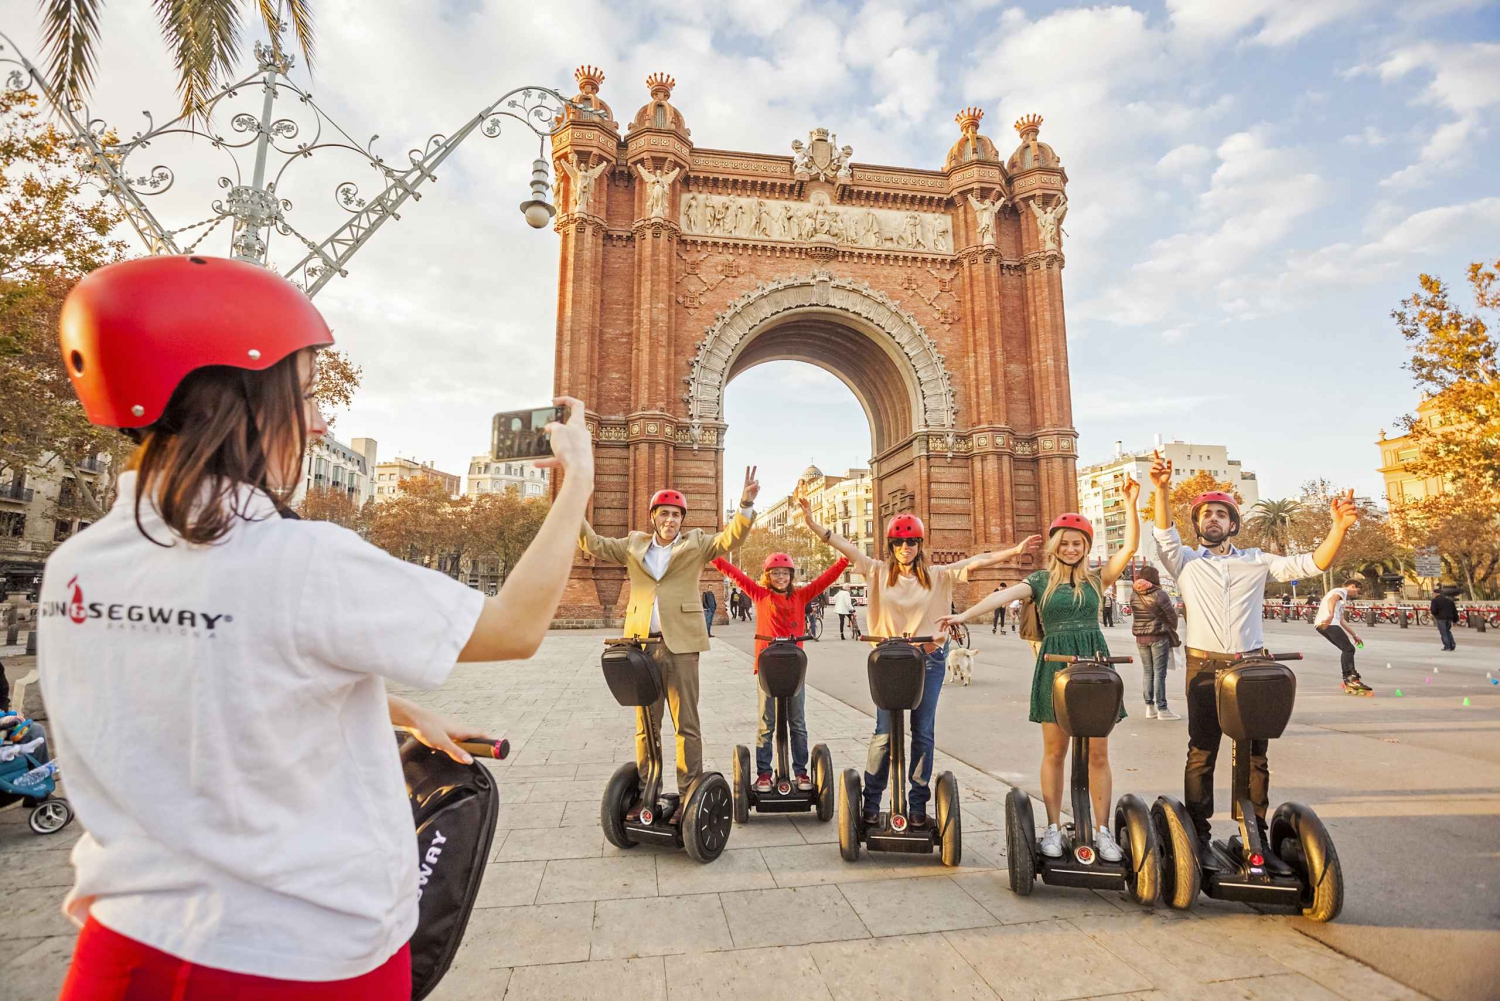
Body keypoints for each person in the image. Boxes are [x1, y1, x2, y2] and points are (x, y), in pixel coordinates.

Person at [38, 256, 595, 998]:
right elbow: (516, 625)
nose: (319, 418)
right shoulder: (301, 561)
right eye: (301, 392)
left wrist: (390, 708)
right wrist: (579, 479)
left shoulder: (76, 566)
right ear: (239, 399)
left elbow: (212, 664)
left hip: (122, 957)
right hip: (302, 963)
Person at [1147, 451, 1357, 858]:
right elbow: (1163, 533)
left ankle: (1253, 832)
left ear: (1233, 523)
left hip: (1252, 666)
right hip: (1204, 665)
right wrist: (1161, 488)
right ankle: (1199, 831)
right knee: (1202, 751)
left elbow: (1312, 563)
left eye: (1220, 514)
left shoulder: (1257, 561)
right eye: (1205, 514)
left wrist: (1339, 528)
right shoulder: (1185, 563)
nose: (1212, 519)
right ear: (1197, 524)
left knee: (1255, 754)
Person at [800, 496, 1041, 828]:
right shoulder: (876, 570)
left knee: (923, 731)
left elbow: (977, 561)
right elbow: (844, 545)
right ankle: (871, 801)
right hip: (888, 660)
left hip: (928, 659)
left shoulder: (938, 575)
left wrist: (1014, 552)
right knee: (884, 733)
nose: (905, 547)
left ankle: (916, 804)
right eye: (899, 542)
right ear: (891, 545)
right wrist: (813, 523)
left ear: (919, 544)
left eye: (911, 542)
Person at [940, 479, 1142, 863]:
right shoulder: (1040, 581)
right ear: (1055, 546)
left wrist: (1132, 503)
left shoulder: (1098, 579)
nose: (1071, 548)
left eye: (1077, 542)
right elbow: (1003, 596)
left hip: (1094, 664)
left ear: (1085, 546)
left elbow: (1129, 547)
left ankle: (1101, 832)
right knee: (1055, 751)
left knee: (1098, 752)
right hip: (1055, 665)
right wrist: (962, 615)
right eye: (1064, 542)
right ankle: (1052, 826)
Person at [579, 470, 759, 821]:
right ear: (653, 517)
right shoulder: (633, 544)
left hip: (681, 647)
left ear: (682, 520)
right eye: (664, 513)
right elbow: (594, 544)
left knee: (686, 724)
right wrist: (574, 512)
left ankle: (689, 796)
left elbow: (731, 539)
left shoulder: (695, 543)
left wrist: (746, 504)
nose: (670, 520)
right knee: (646, 725)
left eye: (676, 514)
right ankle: (648, 793)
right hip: (640, 647)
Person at [712, 551, 848, 791]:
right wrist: (714, 556)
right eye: (775, 573)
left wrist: (845, 560)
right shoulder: (760, 594)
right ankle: (764, 773)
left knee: (797, 722)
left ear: (791, 575)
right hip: (767, 668)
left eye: (785, 573)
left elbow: (824, 580)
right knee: (767, 723)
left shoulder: (801, 596)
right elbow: (736, 576)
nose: (780, 577)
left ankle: (801, 772)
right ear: (768, 576)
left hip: (794, 668)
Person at [1130, 566, 1180, 719]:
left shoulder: (1134, 595)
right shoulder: (1160, 594)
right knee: (1159, 673)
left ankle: (1149, 707)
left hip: (1140, 638)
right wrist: (1172, 627)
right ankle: (1163, 709)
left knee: (1147, 672)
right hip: (1158, 637)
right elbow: (1172, 616)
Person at [1315, 579, 1370, 693]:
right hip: (1329, 623)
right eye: (1357, 592)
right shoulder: (1341, 591)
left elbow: (1341, 620)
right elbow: (1332, 599)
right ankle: (1350, 678)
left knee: (1347, 649)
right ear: (1353, 586)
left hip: (1323, 625)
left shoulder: (1342, 598)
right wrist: (1330, 615)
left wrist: (1354, 635)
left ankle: (1348, 678)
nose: (1356, 594)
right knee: (1348, 649)